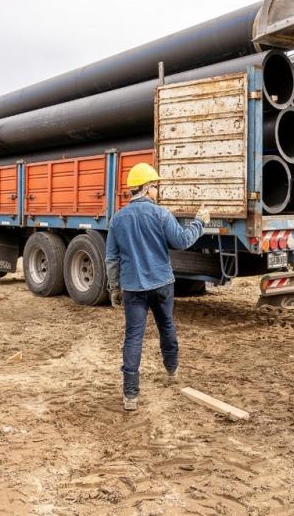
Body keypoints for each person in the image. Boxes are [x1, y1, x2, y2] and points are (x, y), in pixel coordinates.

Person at [106, 162, 210, 411]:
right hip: (162, 284)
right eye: (156, 186)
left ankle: (130, 395)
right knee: (166, 325)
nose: (157, 191)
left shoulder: (118, 219)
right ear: (147, 188)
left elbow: (111, 259)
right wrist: (200, 222)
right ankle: (172, 369)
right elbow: (183, 241)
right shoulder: (161, 214)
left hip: (133, 287)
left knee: (133, 337)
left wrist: (114, 288)